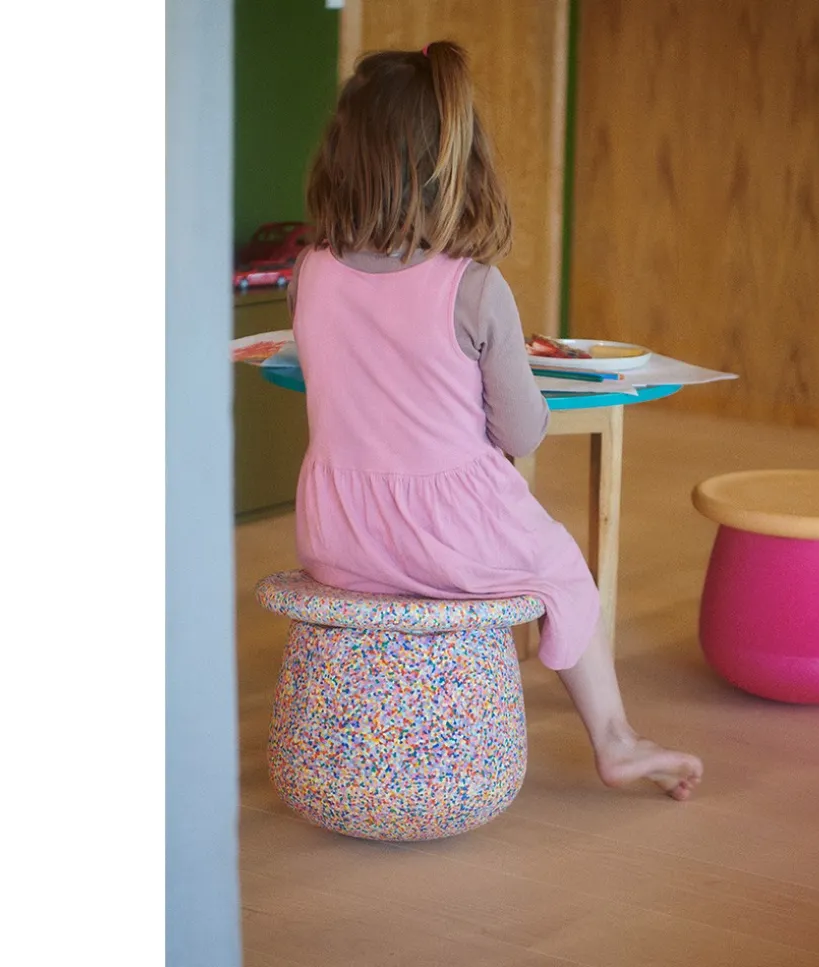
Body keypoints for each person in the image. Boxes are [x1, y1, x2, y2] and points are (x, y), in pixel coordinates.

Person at [287, 41, 702, 800]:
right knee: (561, 566)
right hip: (449, 536)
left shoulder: (308, 273)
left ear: (342, 156)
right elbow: (521, 434)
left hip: (336, 531)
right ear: (456, 166)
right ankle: (616, 739)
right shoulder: (472, 288)